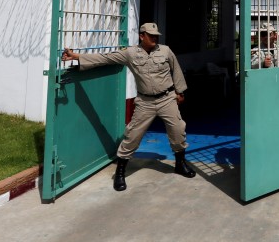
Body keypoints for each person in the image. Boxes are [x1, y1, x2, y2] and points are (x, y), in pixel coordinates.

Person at [61, 22, 196, 191]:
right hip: (145, 102)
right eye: (151, 35)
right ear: (141, 36)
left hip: (167, 98)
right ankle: (120, 172)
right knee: (132, 135)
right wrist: (76, 57)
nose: (155, 38)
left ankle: (180, 163)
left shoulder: (165, 50)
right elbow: (106, 58)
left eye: (156, 36)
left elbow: (176, 70)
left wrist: (180, 92)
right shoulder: (131, 53)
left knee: (177, 129)